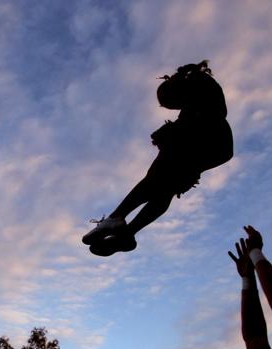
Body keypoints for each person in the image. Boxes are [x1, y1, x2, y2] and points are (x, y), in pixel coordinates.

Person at [83, 60, 232, 256]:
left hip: (204, 139)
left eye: (172, 104)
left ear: (176, 91)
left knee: (153, 180)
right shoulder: (196, 96)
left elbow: (208, 114)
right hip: (216, 147)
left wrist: (171, 132)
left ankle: (117, 217)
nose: (174, 108)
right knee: (166, 190)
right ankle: (128, 233)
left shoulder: (197, 86)